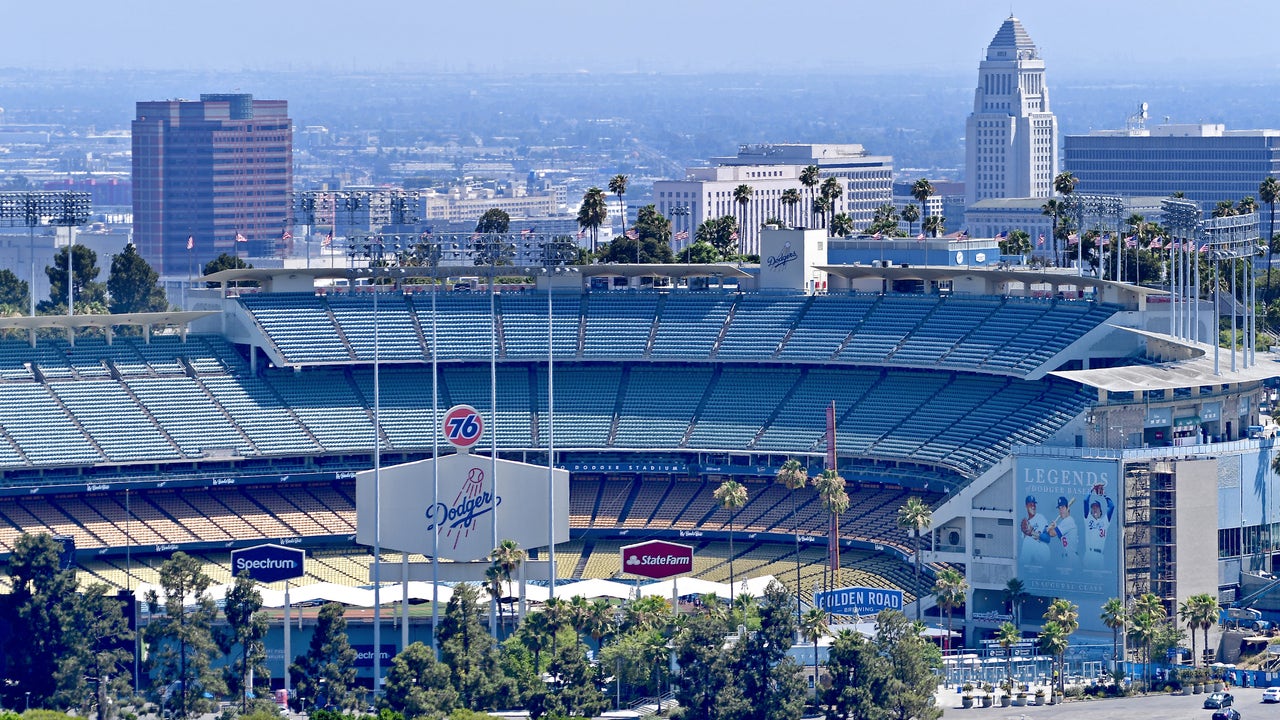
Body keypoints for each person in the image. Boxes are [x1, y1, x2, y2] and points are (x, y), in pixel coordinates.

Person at [1083, 489, 1115, 570]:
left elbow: (1111, 506)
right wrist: (1091, 489)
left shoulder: (1105, 521)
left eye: (1097, 507)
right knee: (1087, 578)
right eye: (1093, 507)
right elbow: (1085, 501)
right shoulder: (1088, 519)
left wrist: (1105, 495)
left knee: (1099, 579)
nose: (1095, 509)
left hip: (1100, 556)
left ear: (1101, 511)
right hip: (1089, 554)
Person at [1042, 496, 1078, 566]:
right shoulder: (1065, 522)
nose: (1061, 510)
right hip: (1067, 558)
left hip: (1071, 559)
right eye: (1059, 508)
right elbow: (1058, 533)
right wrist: (1054, 527)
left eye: (1063, 507)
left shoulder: (1068, 521)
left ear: (1068, 508)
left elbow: (1052, 534)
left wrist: (1048, 529)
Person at [1020, 495, 1051, 567]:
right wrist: (1026, 533)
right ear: (1026, 506)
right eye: (1031, 505)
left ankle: (1022, 566)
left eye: (1034, 505)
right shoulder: (1025, 525)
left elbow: (1047, 538)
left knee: (1028, 540)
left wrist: (1032, 533)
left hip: (1043, 552)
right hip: (1034, 556)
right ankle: (1023, 567)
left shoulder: (1040, 517)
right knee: (1027, 541)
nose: (1033, 507)